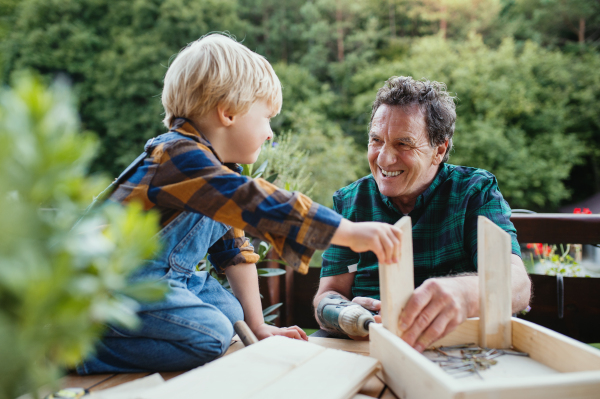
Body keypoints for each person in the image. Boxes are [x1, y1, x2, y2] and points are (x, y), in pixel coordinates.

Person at [76, 34, 402, 375]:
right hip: (109, 287)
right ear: (228, 112)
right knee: (212, 336)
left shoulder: (219, 175)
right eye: (266, 118)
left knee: (233, 315)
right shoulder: (179, 159)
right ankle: (72, 350)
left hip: (169, 280)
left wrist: (257, 326)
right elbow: (259, 203)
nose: (270, 133)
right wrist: (347, 231)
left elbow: (233, 248)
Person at [313, 76, 531, 351]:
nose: (383, 158)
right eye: (376, 140)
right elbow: (326, 296)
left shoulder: (474, 192)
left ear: (439, 150)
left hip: (456, 348)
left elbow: (519, 285)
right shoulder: (350, 202)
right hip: (367, 346)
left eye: (403, 144)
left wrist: (464, 294)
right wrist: (346, 315)